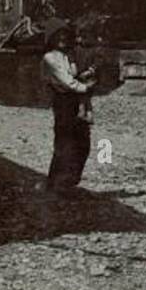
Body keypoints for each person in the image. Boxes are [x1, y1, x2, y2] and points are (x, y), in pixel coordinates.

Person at [40, 21, 97, 195]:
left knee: (83, 142)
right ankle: (55, 182)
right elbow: (68, 82)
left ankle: (70, 180)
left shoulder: (69, 55)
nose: (63, 39)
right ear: (52, 39)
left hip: (75, 100)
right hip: (63, 101)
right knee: (64, 143)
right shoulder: (50, 58)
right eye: (59, 36)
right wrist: (87, 87)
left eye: (65, 35)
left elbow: (77, 73)